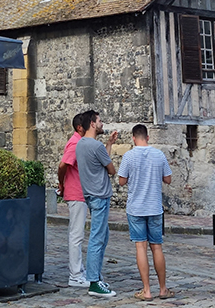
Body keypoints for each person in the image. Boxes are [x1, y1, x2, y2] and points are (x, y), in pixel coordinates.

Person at [115, 125, 173, 301]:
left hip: (136, 208)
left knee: (141, 246)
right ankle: (163, 289)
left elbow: (122, 181)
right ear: (147, 137)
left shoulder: (129, 156)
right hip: (154, 207)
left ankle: (146, 290)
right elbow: (168, 179)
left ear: (133, 138)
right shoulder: (159, 154)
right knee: (157, 246)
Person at [74, 110, 119, 298]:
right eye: (99, 121)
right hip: (100, 195)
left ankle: (97, 276)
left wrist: (109, 144)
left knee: (102, 236)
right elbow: (111, 169)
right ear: (92, 123)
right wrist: (106, 146)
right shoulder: (96, 146)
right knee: (97, 238)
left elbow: (102, 164)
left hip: (90, 195)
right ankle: (94, 281)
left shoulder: (81, 144)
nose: (101, 124)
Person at [58, 113, 89, 287]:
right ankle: (75, 275)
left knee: (77, 234)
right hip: (76, 192)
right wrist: (61, 183)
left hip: (79, 192)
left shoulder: (79, 143)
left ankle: (79, 271)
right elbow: (63, 165)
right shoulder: (76, 143)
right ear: (80, 127)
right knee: (76, 235)